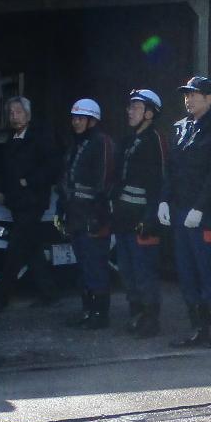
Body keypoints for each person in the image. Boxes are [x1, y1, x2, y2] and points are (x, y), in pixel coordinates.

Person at [161, 74, 211, 347]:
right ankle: (199, 328)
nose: (188, 99)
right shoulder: (182, 127)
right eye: (187, 95)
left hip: (206, 214)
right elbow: (172, 168)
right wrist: (164, 200)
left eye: (194, 94)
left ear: (209, 98)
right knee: (187, 272)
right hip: (181, 210)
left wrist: (201, 207)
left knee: (209, 271)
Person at [0, 95, 59, 309]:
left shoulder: (39, 138)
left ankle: (0, 296)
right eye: (11, 113)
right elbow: (3, 168)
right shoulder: (11, 138)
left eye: (18, 112)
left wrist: (28, 180)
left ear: (28, 115)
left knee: (16, 247)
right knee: (32, 248)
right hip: (16, 202)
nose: (14, 116)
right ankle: (49, 292)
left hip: (33, 200)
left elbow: (52, 167)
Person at [59, 97, 117, 331]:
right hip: (76, 215)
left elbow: (106, 180)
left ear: (92, 120)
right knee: (83, 267)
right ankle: (88, 310)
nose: (76, 122)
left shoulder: (101, 142)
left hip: (93, 215)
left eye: (81, 118)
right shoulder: (76, 144)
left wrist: (98, 214)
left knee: (96, 266)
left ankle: (100, 314)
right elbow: (66, 179)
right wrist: (61, 208)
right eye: (74, 118)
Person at [113, 88, 167, 337]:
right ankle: (136, 313)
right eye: (130, 106)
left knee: (144, 271)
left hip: (143, 219)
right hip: (124, 219)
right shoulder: (127, 141)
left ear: (149, 113)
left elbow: (159, 182)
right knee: (128, 270)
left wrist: (150, 217)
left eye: (136, 107)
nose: (130, 111)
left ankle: (150, 319)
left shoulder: (154, 140)